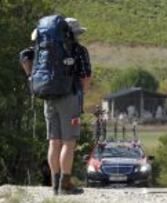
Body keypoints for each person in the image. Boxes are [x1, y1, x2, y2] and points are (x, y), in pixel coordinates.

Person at [19, 17, 91, 195]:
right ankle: (65, 184)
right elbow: (85, 78)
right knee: (69, 142)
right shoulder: (78, 50)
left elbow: (23, 56)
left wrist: (31, 77)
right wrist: (79, 92)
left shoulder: (42, 48)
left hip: (48, 96)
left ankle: (54, 183)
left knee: (54, 141)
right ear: (73, 33)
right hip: (69, 97)